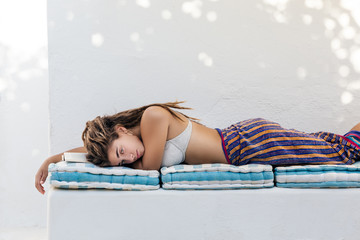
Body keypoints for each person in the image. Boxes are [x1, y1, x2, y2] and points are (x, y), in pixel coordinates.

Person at [35, 101, 360, 194]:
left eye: (122, 152)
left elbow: (150, 172)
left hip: (249, 144)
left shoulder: (153, 118)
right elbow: (104, 151)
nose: (128, 160)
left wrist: (135, 165)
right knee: (333, 144)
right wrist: (56, 158)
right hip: (245, 144)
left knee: (345, 155)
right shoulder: (138, 137)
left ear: (122, 130)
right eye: (121, 163)